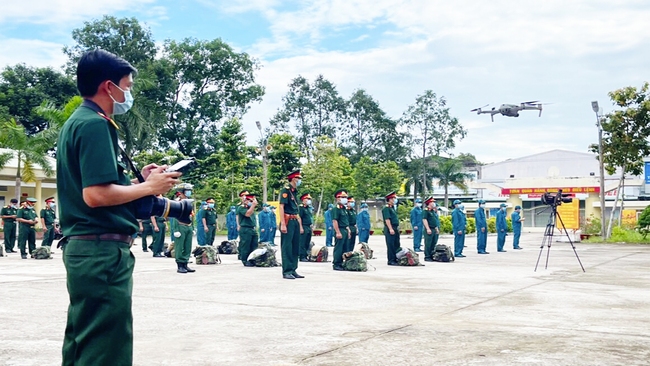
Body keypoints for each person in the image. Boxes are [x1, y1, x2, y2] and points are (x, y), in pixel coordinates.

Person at [57, 49, 181, 366]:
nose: (129, 93)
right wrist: (149, 188)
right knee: (106, 348)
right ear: (108, 86)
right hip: (101, 253)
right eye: (127, 85)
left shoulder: (79, 122)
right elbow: (95, 196)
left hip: (88, 251)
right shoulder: (95, 125)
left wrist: (141, 180)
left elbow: (99, 186)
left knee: (84, 342)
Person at [279, 170, 304, 279]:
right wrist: (283, 224)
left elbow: (296, 210)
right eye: (298, 179)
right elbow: (281, 207)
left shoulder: (294, 191)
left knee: (295, 246)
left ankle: (293, 269)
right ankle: (287, 270)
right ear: (293, 179)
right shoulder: (286, 191)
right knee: (287, 246)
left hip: (295, 220)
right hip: (287, 220)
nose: (299, 181)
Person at [173, 183, 195, 273]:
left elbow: (191, 215)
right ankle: (180, 265)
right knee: (179, 246)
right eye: (187, 191)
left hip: (188, 226)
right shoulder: (177, 202)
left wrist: (193, 227)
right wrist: (176, 229)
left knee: (187, 246)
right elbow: (174, 216)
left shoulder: (189, 202)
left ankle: (185, 264)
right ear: (182, 192)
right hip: (180, 225)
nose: (189, 192)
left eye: (189, 191)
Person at [237, 192, 259, 266]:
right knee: (245, 245)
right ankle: (245, 260)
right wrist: (253, 205)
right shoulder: (241, 207)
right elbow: (247, 214)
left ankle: (252, 259)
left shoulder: (250, 208)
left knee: (254, 245)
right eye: (250, 201)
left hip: (252, 229)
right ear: (246, 201)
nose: (251, 202)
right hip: (245, 229)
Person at [331, 190, 350, 271]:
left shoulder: (344, 209)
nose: (345, 199)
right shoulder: (336, 209)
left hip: (345, 229)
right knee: (339, 248)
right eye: (342, 197)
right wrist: (338, 232)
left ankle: (342, 263)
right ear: (337, 199)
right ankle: (336, 264)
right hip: (340, 230)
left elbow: (345, 221)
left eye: (345, 197)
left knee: (345, 248)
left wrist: (348, 230)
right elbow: (335, 221)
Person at [382, 192, 400, 266]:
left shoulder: (392, 208)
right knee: (391, 245)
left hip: (395, 228)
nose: (395, 200)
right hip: (390, 228)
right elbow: (387, 219)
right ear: (390, 199)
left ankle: (395, 258)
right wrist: (390, 229)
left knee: (396, 244)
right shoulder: (386, 208)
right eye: (393, 198)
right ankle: (391, 260)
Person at [422, 197, 440, 262]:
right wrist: (427, 228)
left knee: (433, 243)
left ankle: (432, 255)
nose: (434, 203)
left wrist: (436, 228)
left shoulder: (432, 211)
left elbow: (434, 221)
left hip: (434, 229)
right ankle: (427, 256)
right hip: (429, 229)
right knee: (428, 243)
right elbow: (424, 219)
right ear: (429, 203)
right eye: (432, 202)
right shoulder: (426, 211)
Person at [299, 193, 314, 262]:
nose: (309, 200)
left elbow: (310, 217)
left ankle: (306, 255)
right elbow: (299, 218)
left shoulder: (308, 208)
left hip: (308, 226)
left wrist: (311, 225)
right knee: (302, 242)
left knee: (307, 242)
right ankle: (302, 256)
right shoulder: (301, 208)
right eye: (307, 199)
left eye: (309, 199)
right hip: (303, 226)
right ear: (303, 200)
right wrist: (300, 227)